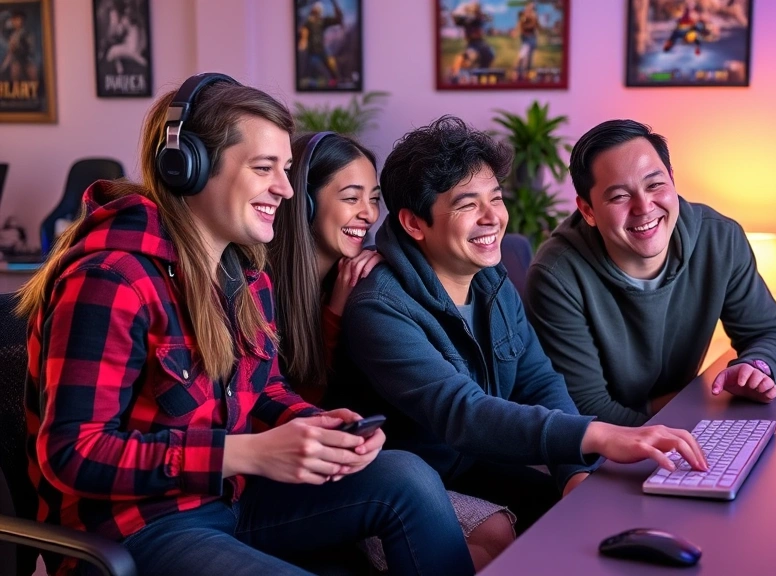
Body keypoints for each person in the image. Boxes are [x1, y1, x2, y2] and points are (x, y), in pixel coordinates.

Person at [16, 74, 473, 576]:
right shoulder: (110, 278)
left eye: (286, 169)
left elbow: (265, 389)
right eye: (263, 168)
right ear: (188, 168)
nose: (284, 188)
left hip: (227, 502)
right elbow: (73, 453)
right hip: (135, 529)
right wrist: (244, 454)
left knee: (407, 476)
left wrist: (316, 427)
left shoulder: (247, 276)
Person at [338, 116, 709, 534]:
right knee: (501, 534)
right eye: (467, 205)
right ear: (414, 223)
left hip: (476, 465)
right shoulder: (380, 307)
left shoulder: (490, 279)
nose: (492, 217)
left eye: (495, 198)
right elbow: (463, 413)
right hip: (403, 487)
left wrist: (573, 473)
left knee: (609, 508)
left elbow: (538, 382)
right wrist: (598, 435)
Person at [267, 131, 516, 571]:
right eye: (351, 198)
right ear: (302, 203)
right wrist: (334, 314)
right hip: (297, 468)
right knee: (490, 536)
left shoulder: (363, 274)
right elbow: (287, 402)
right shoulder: (264, 287)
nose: (368, 214)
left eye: (373, 199)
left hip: (361, 457)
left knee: (505, 526)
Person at [524, 119, 776, 427]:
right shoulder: (556, 275)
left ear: (672, 179)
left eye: (655, 185)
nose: (644, 207)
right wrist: (683, 424)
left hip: (677, 419)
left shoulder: (719, 239)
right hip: (613, 443)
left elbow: (771, 334)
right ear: (588, 210)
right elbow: (587, 411)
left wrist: (756, 367)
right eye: (619, 196)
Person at [514, 2, 539, 79]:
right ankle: (517, 73)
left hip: (531, 39)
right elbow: (520, 24)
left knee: (527, 58)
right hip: (526, 39)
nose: (528, 9)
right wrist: (517, 31)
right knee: (523, 57)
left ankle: (523, 74)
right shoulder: (524, 16)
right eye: (528, 7)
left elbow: (534, 26)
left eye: (531, 8)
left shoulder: (533, 17)